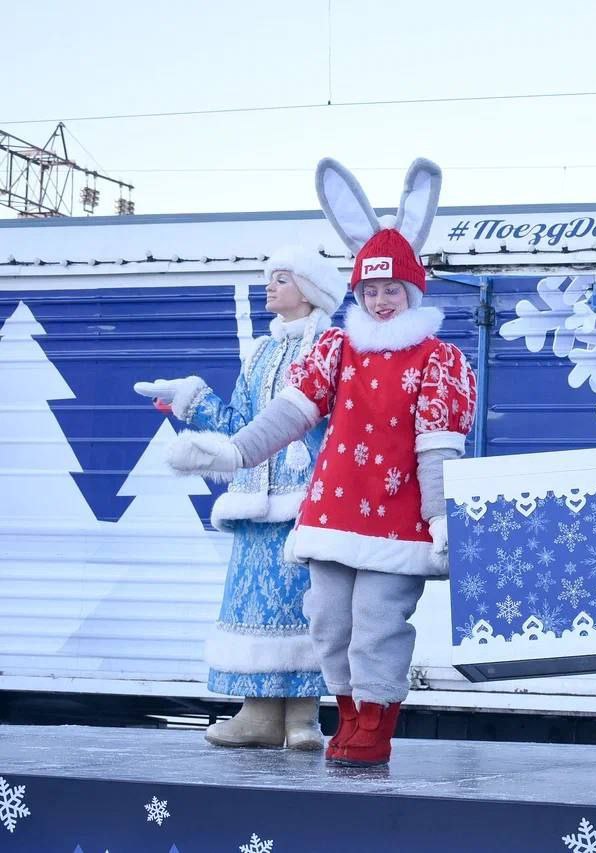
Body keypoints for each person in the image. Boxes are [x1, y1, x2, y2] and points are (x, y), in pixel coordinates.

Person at [167, 158, 477, 767]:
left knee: (377, 624)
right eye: (371, 290)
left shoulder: (437, 360)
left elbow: (436, 446)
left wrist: (442, 517)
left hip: (397, 521)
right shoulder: (337, 349)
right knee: (329, 623)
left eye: (393, 290)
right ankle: (349, 715)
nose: (381, 301)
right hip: (333, 513)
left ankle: (375, 727)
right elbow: (288, 414)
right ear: (357, 293)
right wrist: (233, 451)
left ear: (413, 292)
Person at [134, 248, 345, 749]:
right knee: (256, 606)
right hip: (254, 501)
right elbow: (239, 427)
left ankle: (302, 717)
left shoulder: (330, 348)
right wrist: (193, 399)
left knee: (306, 606)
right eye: (269, 279)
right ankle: (260, 715)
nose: (270, 287)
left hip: (306, 501)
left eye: (281, 278)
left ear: (309, 290)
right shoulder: (260, 354)